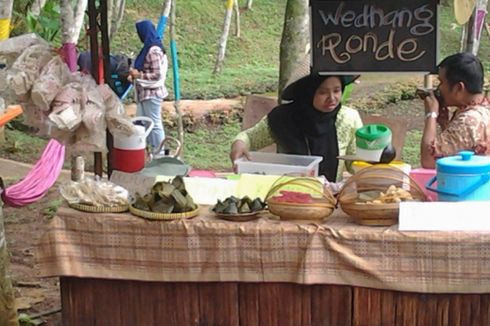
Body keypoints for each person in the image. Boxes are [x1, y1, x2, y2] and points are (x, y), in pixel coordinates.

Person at [230, 73, 363, 182]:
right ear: (308, 93)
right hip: (288, 193)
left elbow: (356, 162)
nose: (332, 98)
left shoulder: (349, 118)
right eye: (322, 92)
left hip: (330, 198)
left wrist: (372, 164)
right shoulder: (283, 117)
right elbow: (249, 137)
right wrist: (239, 144)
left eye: (337, 90)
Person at [420, 52, 489, 168]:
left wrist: (431, 114)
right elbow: (457, 150)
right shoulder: (482, 109)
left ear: (458, 88)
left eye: (441, 82)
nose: (439, 88)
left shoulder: (468, 121)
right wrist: (445, 125)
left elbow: (429, 161)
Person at [128, 19, 168, 154]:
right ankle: (148, 152)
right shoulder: (148, 48)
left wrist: (139, 75)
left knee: (155, 124)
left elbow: (157, 74)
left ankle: (160, 154)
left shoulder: (153, 50)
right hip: (144, 94)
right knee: (143, 123)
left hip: (152, 93)